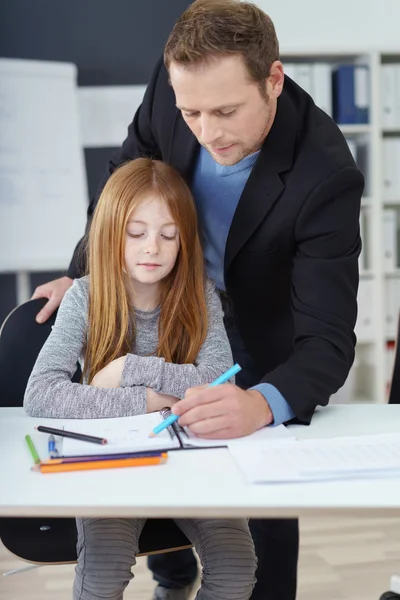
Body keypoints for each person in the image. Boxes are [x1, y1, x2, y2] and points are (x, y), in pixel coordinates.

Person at [31, 1, 364, 599]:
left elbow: (328, 339)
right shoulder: (171, 84)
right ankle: (173, 571)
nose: (207, 133)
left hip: (255, 334)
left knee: (260, 538)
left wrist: (262, 404)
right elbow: (122, 189)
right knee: (154, 487)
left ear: (274, 80)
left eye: (227, 111)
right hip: (158, 307)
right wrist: (86, 276)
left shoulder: (325, 173)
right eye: (192, 113)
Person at [24, 157, 258, 600]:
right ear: (111, 233)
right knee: (103, 577)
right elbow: (40, 393)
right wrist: (153, 400)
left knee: (236, 567)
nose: (152, 247)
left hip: (192, 458)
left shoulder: (200, 294)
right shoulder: (85, 297)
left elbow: (216, 380)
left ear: (184, 240)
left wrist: (130, 368)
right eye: (136, 233)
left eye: (168, 235)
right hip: (109, 461)